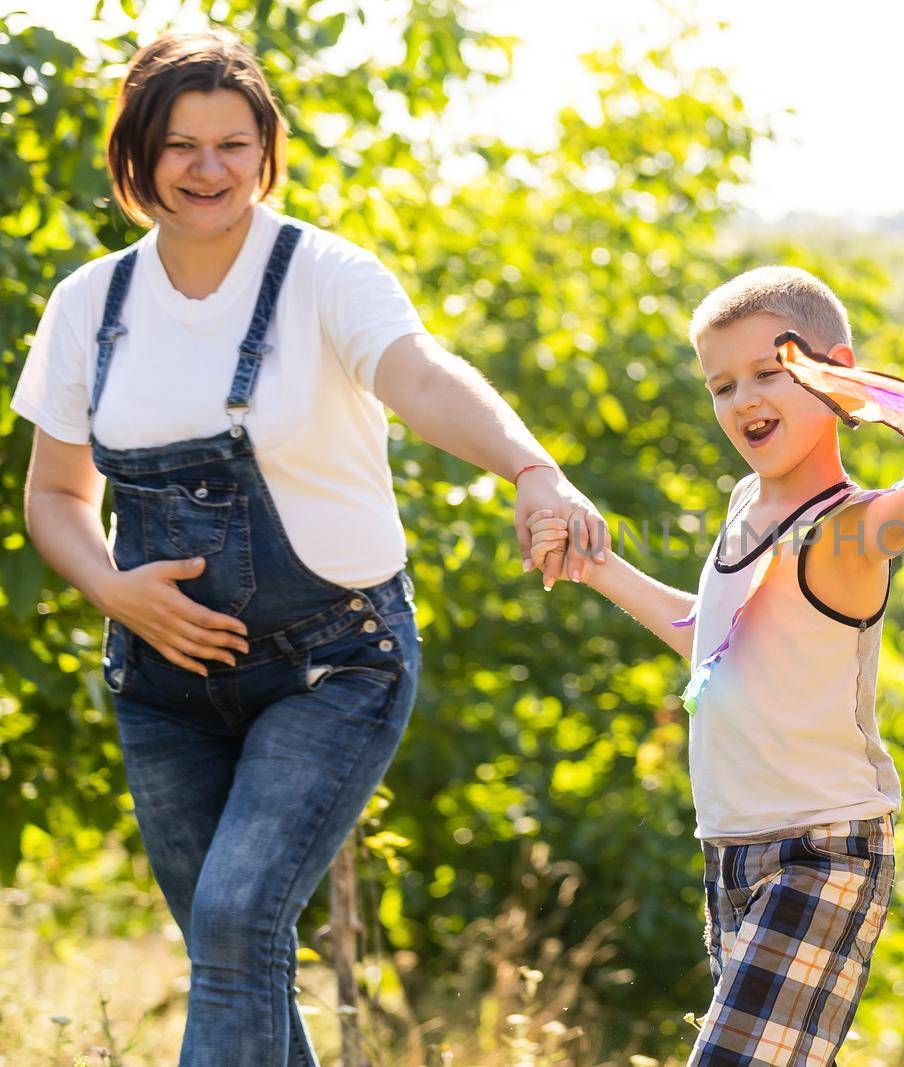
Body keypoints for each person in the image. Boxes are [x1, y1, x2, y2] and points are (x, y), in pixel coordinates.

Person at [13, 30, 606, 1065]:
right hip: (163, 679)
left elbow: (421, 378)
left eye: (233, 144)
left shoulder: (323, 273)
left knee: (238, 917)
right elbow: (56, 495)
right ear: (137, 153)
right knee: (230, 946)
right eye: (181, 145)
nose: (208, 169)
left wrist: (530, 467)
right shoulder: (88, 305)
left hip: (331, 663)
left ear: (266, 151)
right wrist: (114, 590)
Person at [524, 265, 904, 1065]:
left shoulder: (844, 531)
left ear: (836, 373)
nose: (743, 400)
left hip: (823, 852)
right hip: (731, 850)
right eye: (722, 385)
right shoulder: (748, 503)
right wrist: (596, 567)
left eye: (771, 371)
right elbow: (708, 637)